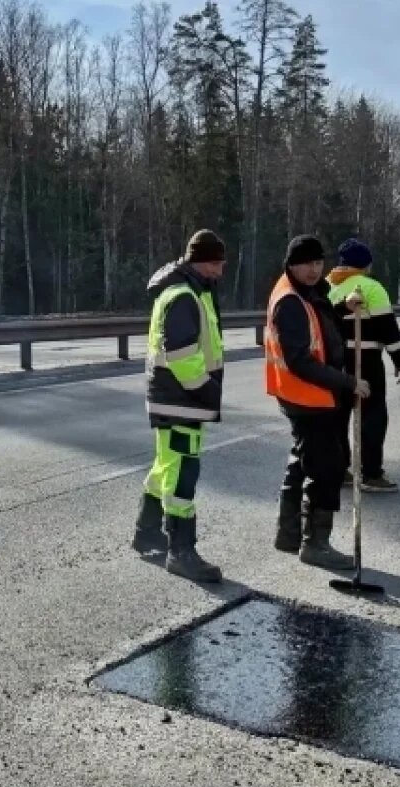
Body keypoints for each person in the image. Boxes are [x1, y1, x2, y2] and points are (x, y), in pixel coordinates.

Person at [266, 234, 369, 570]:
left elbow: (322, 326)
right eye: (306, 263)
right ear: (291, 264)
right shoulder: (290, 302)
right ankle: (316, 544)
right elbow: (300, 360)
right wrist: (348, 382)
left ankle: (290, 534)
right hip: (307, 397)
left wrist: (343, 308)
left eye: (317, 262)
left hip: (307, 395)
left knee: (303, 460)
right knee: (327, 467)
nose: (313, 270)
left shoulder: (306, 293)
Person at [131, 229, 226, 583]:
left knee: (167, 464)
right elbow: (183, 355)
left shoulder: (185, 291)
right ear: (200, 262)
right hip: (182, 400)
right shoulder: (184, 296)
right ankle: (181, 552)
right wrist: (206, 390)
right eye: (216, 264)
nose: (220, 271)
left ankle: (147, 531)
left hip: (173, 398)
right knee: (183, 473)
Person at [327, 238, 400, 493]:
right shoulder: (371, 287)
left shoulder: (328, 286)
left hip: (336, 361)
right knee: (372, 415)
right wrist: (399, 359)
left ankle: (339, 470)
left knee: (339, 416)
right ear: (366, 265)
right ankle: (370, 473)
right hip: (366, 359)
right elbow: (387, 328)